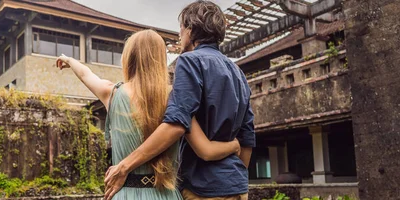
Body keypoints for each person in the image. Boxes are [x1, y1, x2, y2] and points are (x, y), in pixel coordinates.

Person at [55, 29, 241, 200]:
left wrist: (70, 61)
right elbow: (205, 150)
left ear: (129, 57)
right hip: (165, 194)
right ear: (160, 59)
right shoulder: (176, 99)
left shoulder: (112, 93)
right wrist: (233, 145)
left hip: (123, 193)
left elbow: (87, 75)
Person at [103, 1, 256, 200]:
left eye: (181, 29)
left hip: (203, 188)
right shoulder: (238, 72)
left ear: (191, 30)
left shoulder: (190, 61)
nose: (179, 35)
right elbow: (247, 136)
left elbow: (176, 123)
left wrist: (124, 166)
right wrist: (232, 178)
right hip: (237, 188)